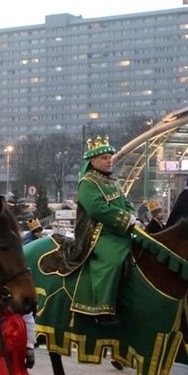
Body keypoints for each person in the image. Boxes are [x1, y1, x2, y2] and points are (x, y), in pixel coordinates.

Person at [71, 135, 136, 326]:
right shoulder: (88, 183)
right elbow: (97, 209)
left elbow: (127, 203)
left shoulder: (113, 182)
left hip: (120, 230)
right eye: (104, 158)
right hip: (99, 233)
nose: (109, 161)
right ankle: (102, 308)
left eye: (110, 157)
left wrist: (133, 216)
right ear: (93, 161)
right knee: (112, 261)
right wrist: (126, 219)